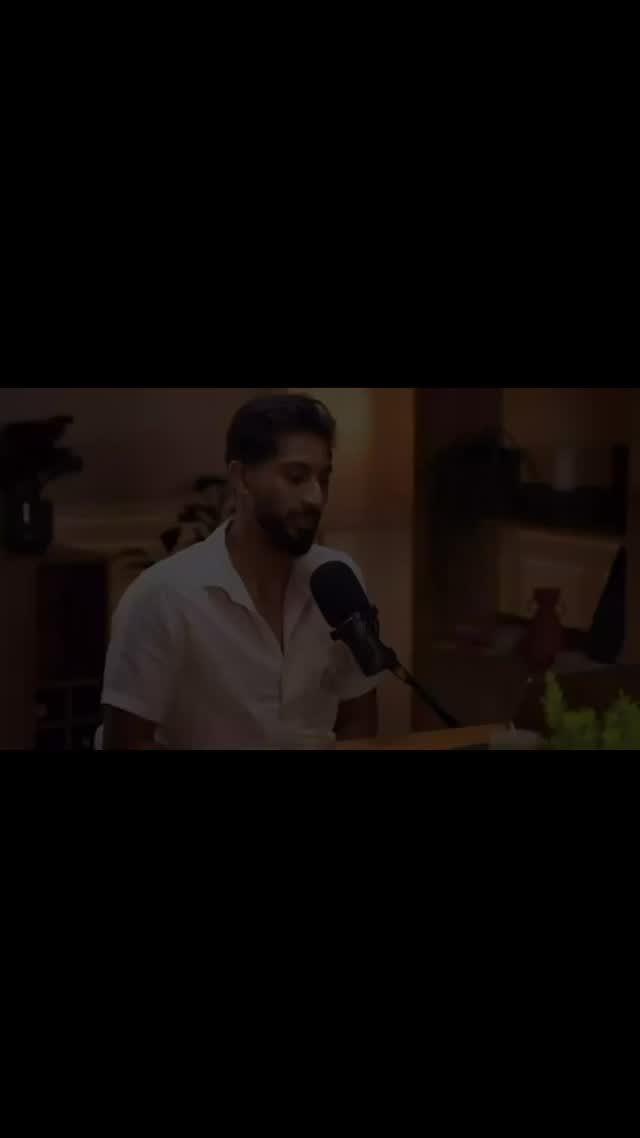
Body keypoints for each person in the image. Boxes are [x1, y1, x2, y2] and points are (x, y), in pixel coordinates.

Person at [101, 393, 380, 749]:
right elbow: (125, 743)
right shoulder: (163, 595)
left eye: (324, 479)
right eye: (296, 477)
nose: (315, 498)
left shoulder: (338, 578)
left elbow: (359, 715)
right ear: (241, 478)